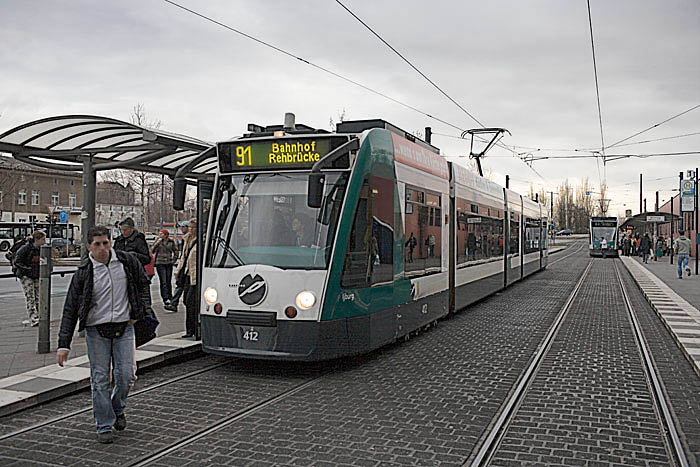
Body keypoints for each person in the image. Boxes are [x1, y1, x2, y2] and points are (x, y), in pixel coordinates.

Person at [56, 225, 151, 444]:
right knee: (99, 379)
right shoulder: (84, 272)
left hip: (124, 327)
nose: (102, 249)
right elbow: (70, 308)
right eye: (97, 244)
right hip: (96, 330)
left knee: (127, 375)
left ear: (111, 243)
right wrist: (64, 344)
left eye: (105, 243)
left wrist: (140, 313)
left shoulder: (126, 262)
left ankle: (117, 407)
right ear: (88, 246)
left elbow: (143, 285)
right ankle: (104, 424)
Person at [13, 230, 46, 327]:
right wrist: (28, 270)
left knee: (37, 296)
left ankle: (38, 316)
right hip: (26, 275)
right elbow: (17, 261)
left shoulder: (40, 249)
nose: (44, 241)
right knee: (30, 296)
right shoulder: (26, 249)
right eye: (43, 239)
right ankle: (33, 317)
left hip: (35, 275)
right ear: (37, 240)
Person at [164, 223, 190, 311]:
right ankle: (174, 303)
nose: (182, 229)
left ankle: (174, 303)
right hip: (184, 265)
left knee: (183, 286)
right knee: (180, 284)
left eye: (183, 227)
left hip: (189, 267)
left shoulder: (189, 239)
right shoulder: (185, 238)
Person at [179, 219, 198, 338]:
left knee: (191, 301)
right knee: (186, 301)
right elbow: (183, 256)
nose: (190, 230)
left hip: (195, 275)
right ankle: (189, 329)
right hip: (187, 274)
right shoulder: (186, 240)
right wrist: (178, 271)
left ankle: (194, 329)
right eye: (189, 227)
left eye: (193, 228)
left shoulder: (202, 241)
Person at [152, 229, 178, 304]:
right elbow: (152, 250)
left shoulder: (171, 242)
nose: (160, 235)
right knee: (163, 281)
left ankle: (170, 296)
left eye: (162, 234)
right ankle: (165, 298)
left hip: (168, 262)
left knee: (168, 280)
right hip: (160, 263)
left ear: (166, 235)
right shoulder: (158, 242)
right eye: (160, 234)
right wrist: (157, 243)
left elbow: (175, 251)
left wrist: (173, 260)